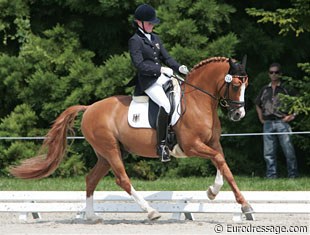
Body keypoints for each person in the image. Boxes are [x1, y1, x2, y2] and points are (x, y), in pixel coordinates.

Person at [128, 4, 189, 162]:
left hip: (162, 77)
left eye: (153, 23)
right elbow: (139, 65)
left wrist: (179, 67)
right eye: (149, 23)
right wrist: (160, 69)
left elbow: (167, 58)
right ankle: (162, 145)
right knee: (166, 105)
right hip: (148, 81)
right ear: (138, 23)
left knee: (178, 96)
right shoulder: (135, 40)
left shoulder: (155, 38)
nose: (152, 26)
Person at [255, 63, 298, 178]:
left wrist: (292, 116)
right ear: (269, 74)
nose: (273, 74)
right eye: (271, 72)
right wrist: (261, 118)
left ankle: (293, 176)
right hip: (268, 123)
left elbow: (297, 103)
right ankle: (271, 176)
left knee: (289, 151)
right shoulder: (264, 89)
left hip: (282, 122)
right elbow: (257, 104)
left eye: (276, 72)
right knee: (268, 153)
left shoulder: (286, 88)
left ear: (280, 74)